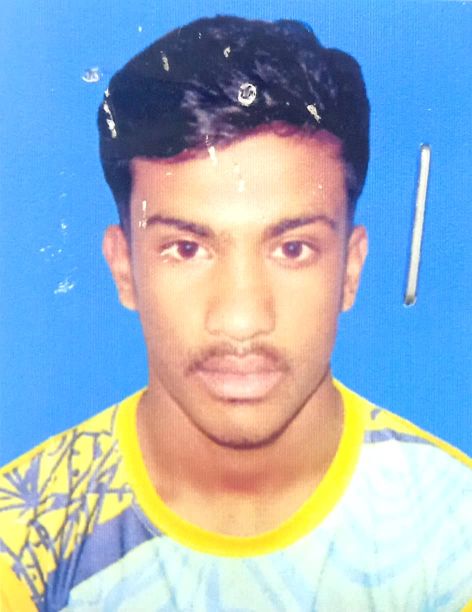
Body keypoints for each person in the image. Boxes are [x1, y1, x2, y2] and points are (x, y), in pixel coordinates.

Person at [0, 14, 471, 612]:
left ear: (351, 271)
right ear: (124, 270)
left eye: (293, 249)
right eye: (186, 249)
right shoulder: (22, 544)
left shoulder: (455, 536)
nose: (242, 320)